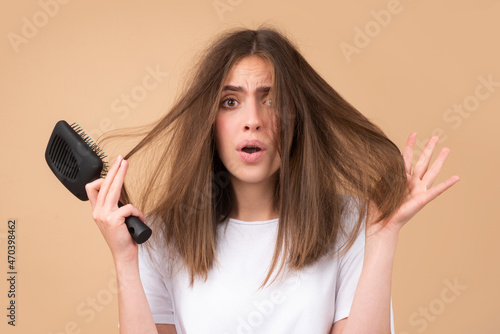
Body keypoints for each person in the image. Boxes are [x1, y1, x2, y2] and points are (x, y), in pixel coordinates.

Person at [85, 27, 460, 334]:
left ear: (296, 116)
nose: (253, 119)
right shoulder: (161, 235)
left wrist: (383, 237)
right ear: (209, 121)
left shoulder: (351, 222)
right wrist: (124, 261)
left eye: (271, 99)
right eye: (230, 101)